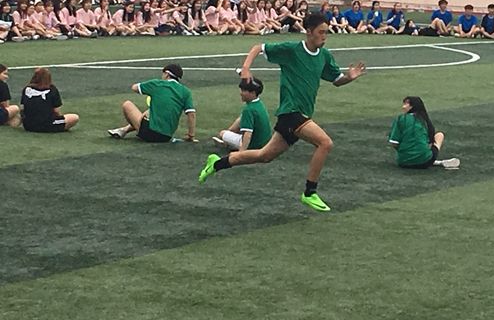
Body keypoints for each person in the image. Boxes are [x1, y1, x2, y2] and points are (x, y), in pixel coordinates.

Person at [198, 13, 367, 212]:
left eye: (326, 32)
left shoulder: (324, 56)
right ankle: (309, 192)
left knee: (264, 155)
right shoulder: (292, 50)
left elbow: (336, 80)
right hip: (291, 113)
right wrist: (246, 68)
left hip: (303, 115)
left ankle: (217, 163)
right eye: (321, 32)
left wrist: (349, 77)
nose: (324, 36)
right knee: (325, 143)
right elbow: (258, 47)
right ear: (309, 32)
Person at [107, 64, 196, 143]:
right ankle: (123, 130)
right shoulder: (185, 91)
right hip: (167, 137)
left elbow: (134, 87)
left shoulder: (157, 84)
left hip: (150, 133)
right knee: (150, 112)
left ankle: (124, 130)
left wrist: (150, 89)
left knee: (127, 104)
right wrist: (190, 135)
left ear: (167, 74)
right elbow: (191, 114)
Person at [388, 97, 460, 170]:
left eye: (406, 104)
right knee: (439, 135)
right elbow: (429, 142)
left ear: (413, 106)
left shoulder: (401, 119)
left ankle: (433, 161)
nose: (403, 107)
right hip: (425, 162)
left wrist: (404, 151)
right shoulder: (423, 120)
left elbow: (394, 142)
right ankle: (434, 161)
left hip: (403, 162)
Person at [213, 77, 272, 152]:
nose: (241, 93)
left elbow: (248, 134)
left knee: (222, 133)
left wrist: (241, 153)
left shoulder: (248, 109)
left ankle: (228, 143)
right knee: (239, 122)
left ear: (253, 93)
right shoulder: (259, 104)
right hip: (265, 144)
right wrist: (231, 131)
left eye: (244, 91)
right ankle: (228, 140)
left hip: (253, 145)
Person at [20, 67, 79, 133]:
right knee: (74, 117)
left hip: (28, 125)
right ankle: (58, 128)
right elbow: (56, 111)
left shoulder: (27, 89)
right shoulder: (52, 90)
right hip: (46, 124)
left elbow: (22, 108)